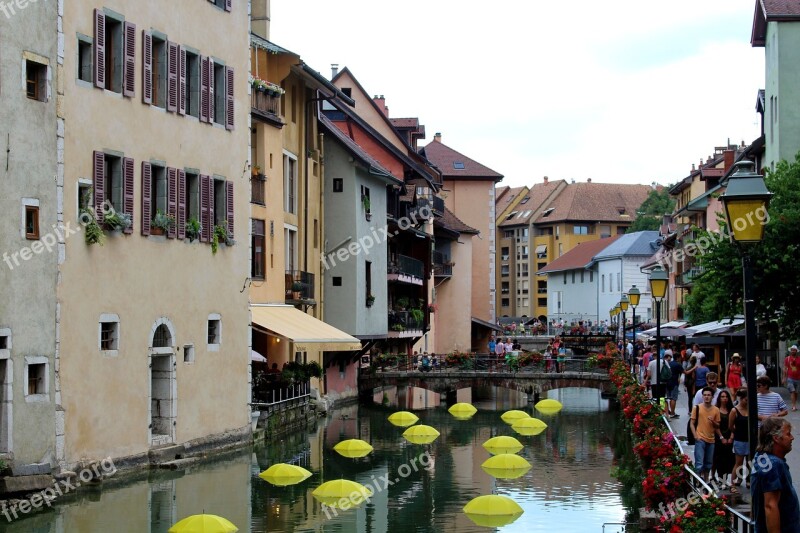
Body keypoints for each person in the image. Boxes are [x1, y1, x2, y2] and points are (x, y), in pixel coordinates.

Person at [750, 417, 799, 532]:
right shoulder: (773, 465)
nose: (792, 438)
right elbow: (770, 506)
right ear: (776, 438)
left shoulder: (762, 458)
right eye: (788, 434)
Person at [691, 386, 722, 482]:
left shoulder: (716, 410)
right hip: (700, 438)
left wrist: (713, 421)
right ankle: (697, 481)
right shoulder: (697, 408)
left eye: (709, 395)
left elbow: (718, 425)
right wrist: (695, 436)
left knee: (708, 463)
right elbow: (692, 423)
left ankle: (706, 480)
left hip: (711, 439)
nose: (706, 397)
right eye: (704, 395)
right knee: (699, 463)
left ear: (712, 397)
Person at [729, 388, 749, 494]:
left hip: (749, 439)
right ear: (741, 399)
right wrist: (736, 432)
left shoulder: (750, 409)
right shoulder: (734, 410)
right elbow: (730, 426)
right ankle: (732, 483)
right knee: (738, 463)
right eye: (746, 400)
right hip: (740, 439)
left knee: (749, 462)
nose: (747, 402)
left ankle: (747, 480)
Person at [713, 390, 735, 485]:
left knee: (728, 458)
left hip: (729, 437)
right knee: (719, 459)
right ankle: (721, 479)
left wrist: (731, 437)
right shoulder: (716, 409)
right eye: (722, 396)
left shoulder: (732, 410)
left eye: (726, 396)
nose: (724, 398)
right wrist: (721, 437)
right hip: (719, 437)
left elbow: (735, 424)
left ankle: (725, 479)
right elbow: (715, 426)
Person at [666, 352, 685, 418]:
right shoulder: (678, 365)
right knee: (674, 398)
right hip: (674, 382)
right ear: (678, 357)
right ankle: (672, 413)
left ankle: (670, 412)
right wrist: (694, 368)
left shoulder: (669, 363)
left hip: (668, 382)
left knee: (669, 398)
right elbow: (685, 372)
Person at [783, 345, 800, 412]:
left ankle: (794, 404)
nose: (793, 351)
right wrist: (784, 378)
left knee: (796, 392)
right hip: (790, 377)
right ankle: (793, 406)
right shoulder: (787, 359)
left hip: (798, 378)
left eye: (794, 350)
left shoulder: (799, 359)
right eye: (792, 350)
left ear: (796, 351)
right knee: (792, 391)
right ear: (790, 351)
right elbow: (785, 368)